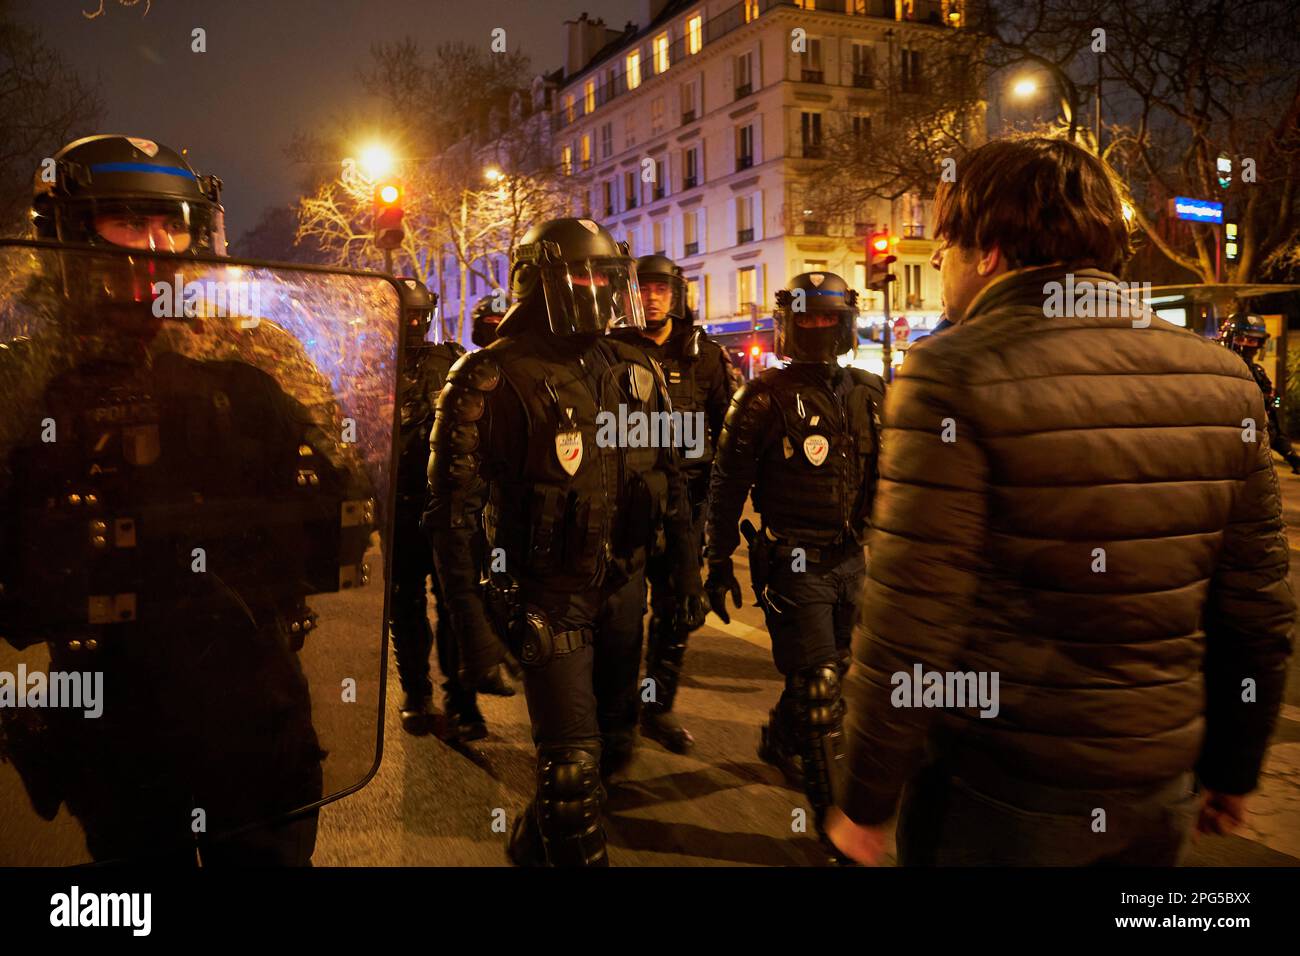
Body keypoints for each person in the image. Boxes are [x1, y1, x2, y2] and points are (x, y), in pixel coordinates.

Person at [826, 136, 1296, 867]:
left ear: (986, 252)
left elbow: (913, 617)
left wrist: (865, 796)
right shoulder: (1222, 378)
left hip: (1000, 788)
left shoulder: (952, 370)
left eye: (945, 247)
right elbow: (1256, 612)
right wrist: (1236, 767)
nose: (942, 270)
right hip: (1156, 785)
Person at [0, 134, 377, 864]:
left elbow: (348, 505)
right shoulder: (26, 373)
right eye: (129, 222)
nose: (158, 244)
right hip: (114, 706)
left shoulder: (255, 353)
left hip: (255, 692)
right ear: (69, 232)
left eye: (172, 223)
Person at [425, 218, 706, 866]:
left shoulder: (637, 365)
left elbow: (671, 478)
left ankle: (532, 843)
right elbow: (452, 519)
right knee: (571, 776)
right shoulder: (489, 377)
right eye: (584, 275)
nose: (598, 290)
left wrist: (684, 577)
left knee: (612, 752)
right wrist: (474, 633)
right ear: (541, 281)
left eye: (608, 277)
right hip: (548, 601)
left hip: (623, 595)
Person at [706, 270, 885, 856]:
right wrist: (714, 561)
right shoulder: (760, 398)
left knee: (828, 669)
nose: (815, 328)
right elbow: (727, 483)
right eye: (804, 317)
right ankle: (833, 833)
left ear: (844, 322)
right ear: (788, 323)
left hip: (851, 562)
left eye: (825, 318)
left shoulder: (871, 391)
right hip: (793, 561)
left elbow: (894, 478)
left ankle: (780, 739)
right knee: (819, 689)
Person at [610, 254, 741, 752]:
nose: (654, 295)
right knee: (622, 614)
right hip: (628, 501)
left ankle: (656, 707)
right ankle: (617, 714)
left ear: (676, 293)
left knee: (677, 610)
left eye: (662, 287)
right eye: (645, 288)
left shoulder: (704, 353)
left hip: (687, 502)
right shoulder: (613, 348)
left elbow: (727, 429)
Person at [389, 279, 511, 740]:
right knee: (405, 603)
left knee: (456, 601)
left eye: (420, 315)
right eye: (409, 315)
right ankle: (416, 692)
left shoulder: (455, 360)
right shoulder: (372, 363)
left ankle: (461, 700)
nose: (415, 324)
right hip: (401, 505)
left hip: (450, 507)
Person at [1217, 311, 1300, 474]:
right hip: (1224, 451)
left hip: (1251, 453)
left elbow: (1269, 420)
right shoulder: (1216, 367)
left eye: (1253, 340)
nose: (1248, 345)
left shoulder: (1257, 374)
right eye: (1242, 339)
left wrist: (1290, 455)